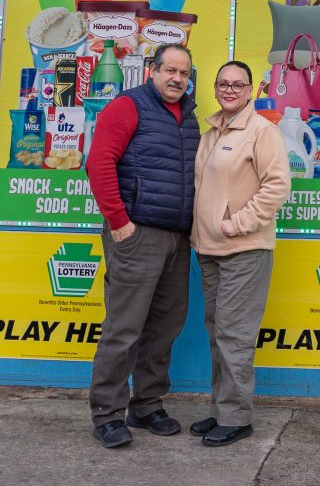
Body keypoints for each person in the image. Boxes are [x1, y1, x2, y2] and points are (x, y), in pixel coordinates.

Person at [85, 43, 200, 449]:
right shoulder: (127, 106)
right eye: (170, 70)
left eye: (184, 73)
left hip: (177, 237)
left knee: (165, 327)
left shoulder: (189, 116)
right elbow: (98, 163)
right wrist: (119, 224)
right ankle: (107, 413)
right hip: (136, 234)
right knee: (124, 328)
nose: (177, 79)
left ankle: (147, 405)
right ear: (152, 69)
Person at [189, 60, 291, 447]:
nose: (229, 89)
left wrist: (240, 221)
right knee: (217, 332)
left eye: (238, 84)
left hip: (244, 248)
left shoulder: (261, 131)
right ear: (215, 89)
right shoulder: (212, 131)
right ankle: (221, 409)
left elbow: (278, 185)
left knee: (235, 333)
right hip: (209, 249)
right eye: (223, 83)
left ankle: (237, 417)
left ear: (250, 90)